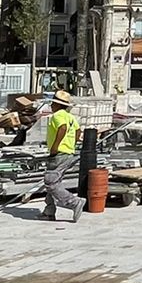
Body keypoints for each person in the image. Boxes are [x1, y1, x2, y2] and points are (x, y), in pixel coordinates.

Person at [39, 91, 83, 220]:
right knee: (54, 182)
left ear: (58, 105)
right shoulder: (70, 116)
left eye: (53, 103)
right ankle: (49, 210)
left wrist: (55, 146)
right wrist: (72, 144)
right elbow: (78, 130)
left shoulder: (57, 116)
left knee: (51, 182)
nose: (51, 106)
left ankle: (74, 202)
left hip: (59, 153)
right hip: (68, 153)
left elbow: (62, 128)